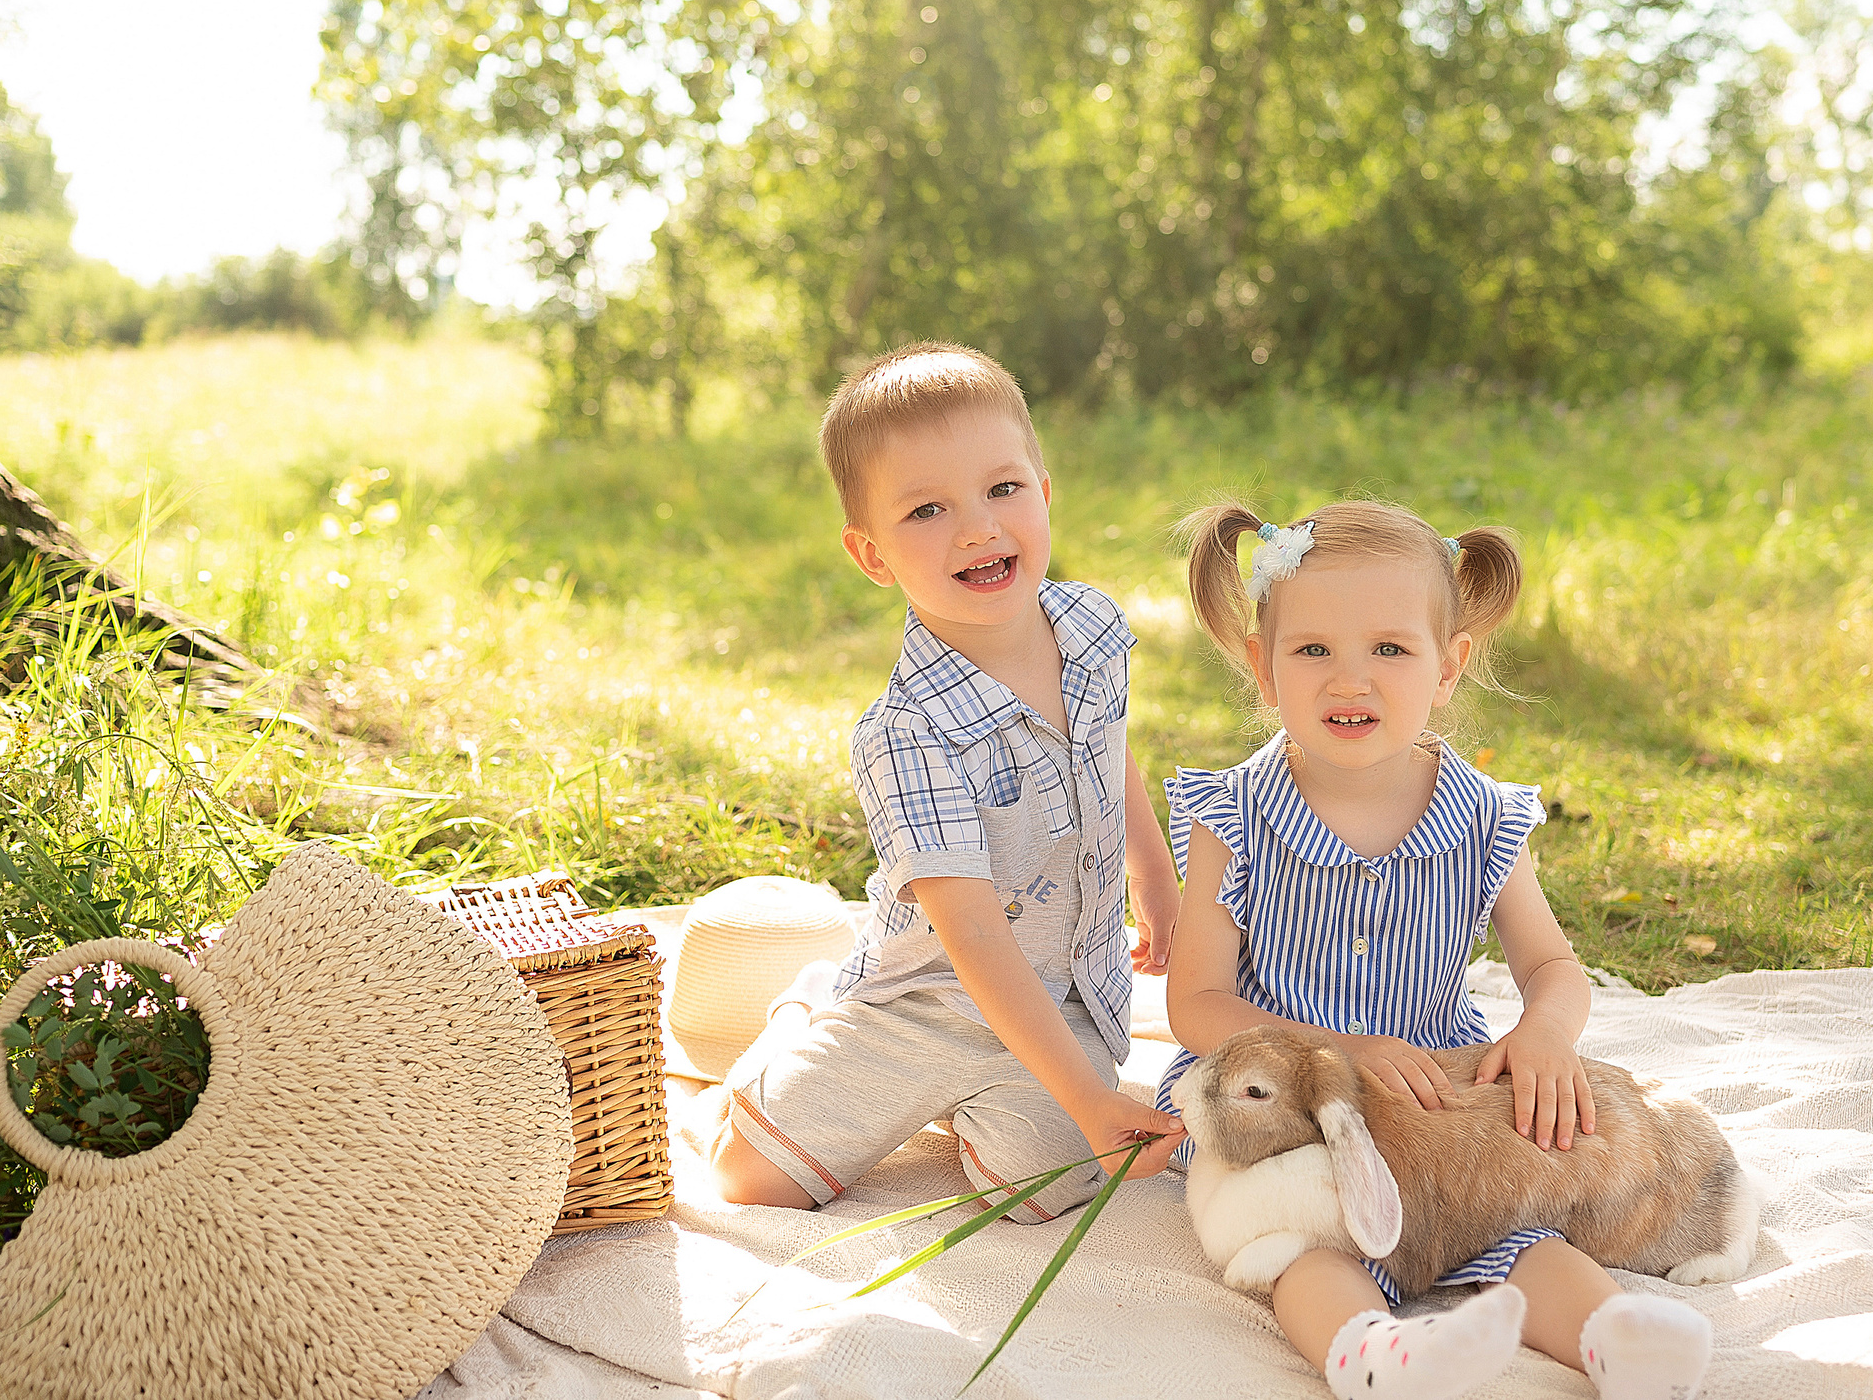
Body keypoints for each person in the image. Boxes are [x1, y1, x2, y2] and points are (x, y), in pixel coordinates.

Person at [1158, 499, 1716, 1400]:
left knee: (1521, 1230)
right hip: (1288, 1107)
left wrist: (1544, 1035)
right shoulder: (1234, 817)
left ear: (1448, 667)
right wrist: (1335, 1054)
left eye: (1390, 649)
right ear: (1263, 667)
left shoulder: (1482, 816)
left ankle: (1619, 1341)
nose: (1352, 681)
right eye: (1312, 652)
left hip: (1440, 1090)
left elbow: (1552, 967)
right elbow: (1197, 1006)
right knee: (1300, 1247)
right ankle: (1373, 1354)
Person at [707, 342, 1186, 1222]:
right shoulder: (906, 732)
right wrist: (1087, 1097)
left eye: (1003, 490)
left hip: (1064, 991)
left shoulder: (1090, 626)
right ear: (874, 554)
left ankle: (989, 1108)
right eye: (927, 510)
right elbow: (968, 933)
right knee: (753, 1181)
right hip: (923, 1003)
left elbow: (1107, 749)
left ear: (1044, 492)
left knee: (1047, 1192)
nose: (977, 528)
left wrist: (1156, 884)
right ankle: (805, 1013)